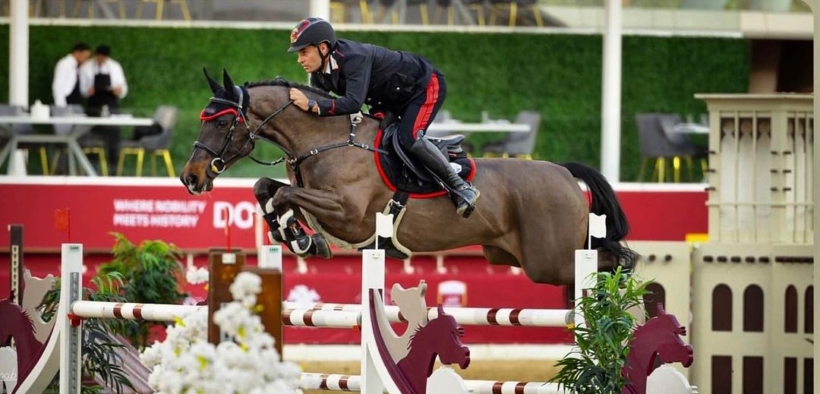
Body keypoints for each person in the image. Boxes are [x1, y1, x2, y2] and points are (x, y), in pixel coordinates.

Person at [286, 17, 479, 218]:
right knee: (373, 135)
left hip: (424, 87)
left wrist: (311, 104)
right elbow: (326, 112)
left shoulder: (353, 58)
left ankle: (460, 187)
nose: (300, 59)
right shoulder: (319, 73)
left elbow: (353, 103)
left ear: (323, 48)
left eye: (304, 52)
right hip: (389, 99)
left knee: (409, 137)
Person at [79, 44, 129, 166]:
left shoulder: (115, 67)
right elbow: (83, 89)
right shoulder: (86, 67)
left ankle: (113, 167)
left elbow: (123, 87)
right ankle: (92, 166)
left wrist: (119, 91)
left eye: (104, 57)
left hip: (111, 103)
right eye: (99, 57)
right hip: (94, 104)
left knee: (113, 135)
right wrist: (88, 91)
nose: (101, 59)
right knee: (92, 137)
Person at [52, 42, 91, 107]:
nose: (86, 60)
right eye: (85, 57)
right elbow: (58, 86)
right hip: (66, 103)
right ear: (77, 53)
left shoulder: (77, 67)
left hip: (74, 104)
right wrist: (61, 107)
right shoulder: (64, 64)